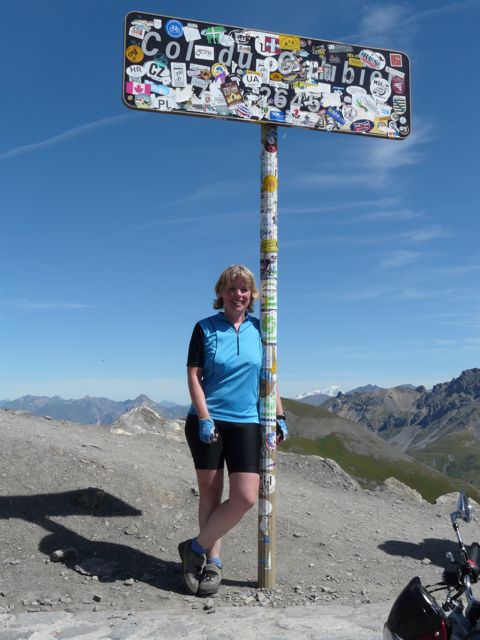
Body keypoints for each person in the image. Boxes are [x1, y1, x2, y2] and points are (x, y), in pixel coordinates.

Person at [179, 264, 288, 597]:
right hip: (208, 420)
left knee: (244, 497)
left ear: (252, 295)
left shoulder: (261, 331)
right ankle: (213, 564)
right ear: (221, 293)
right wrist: (204, 416)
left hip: (247, 423)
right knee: (211, 495)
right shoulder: (205, 328)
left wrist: (280, 416)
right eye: (231, 288)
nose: (238, 294)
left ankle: (194, 548)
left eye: (244, 289)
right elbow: (194, 376)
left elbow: (268, 377)